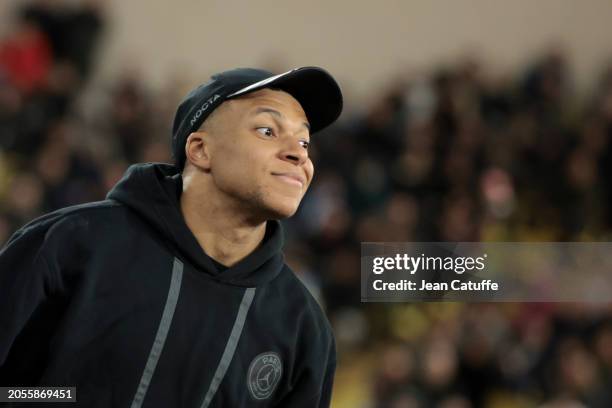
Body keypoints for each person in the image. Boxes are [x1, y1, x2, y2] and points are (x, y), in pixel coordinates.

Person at [0, 66, 343, 407]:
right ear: (200, 150)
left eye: (303, 141)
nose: (299, 154)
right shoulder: (69, 245)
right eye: (267, 130)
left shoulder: (303, 329)